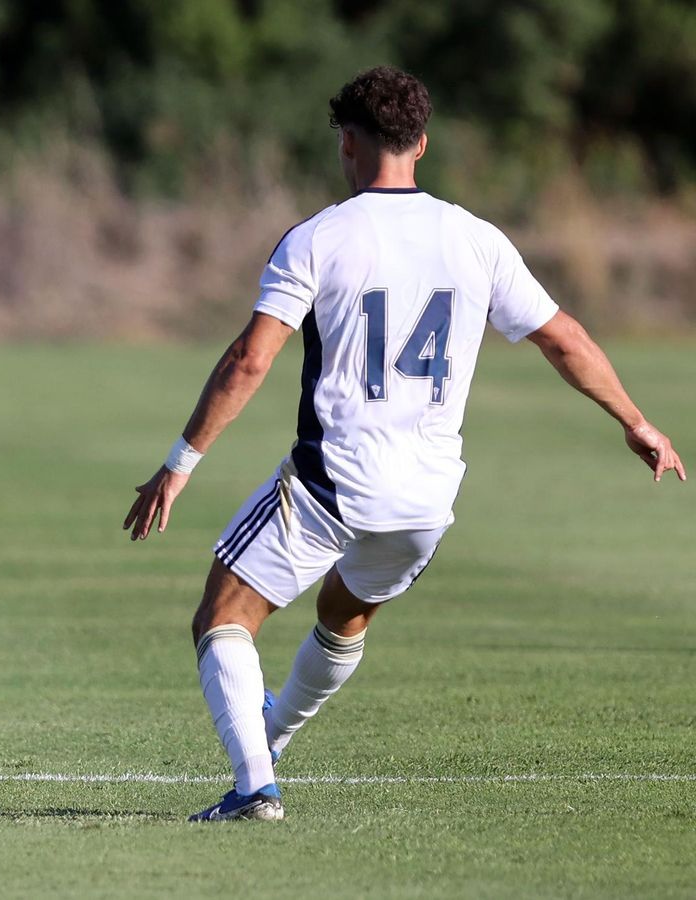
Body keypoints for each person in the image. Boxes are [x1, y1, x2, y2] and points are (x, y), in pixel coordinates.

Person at [122, 65, 684, 821]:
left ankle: (255, 785)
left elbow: (250, 358)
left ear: (349, 145)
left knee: (222, 618)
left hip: (333, 483)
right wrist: (636, 420)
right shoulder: (477, 239)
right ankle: (272, 737)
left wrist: (180, 463)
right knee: (342, 613)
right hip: (425, 498)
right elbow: (564, 338)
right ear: (421, 142)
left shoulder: (318, 237)